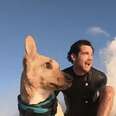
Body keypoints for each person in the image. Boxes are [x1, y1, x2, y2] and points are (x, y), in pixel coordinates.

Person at [61, 40, 114, 116]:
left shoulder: (99, 77)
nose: (90, 58)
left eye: (91, 55)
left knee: (109, 90)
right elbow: (49, 97)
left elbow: (104, 100)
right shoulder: (63, 76)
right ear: (74, 57)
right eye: (86, 54)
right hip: (71, 114)